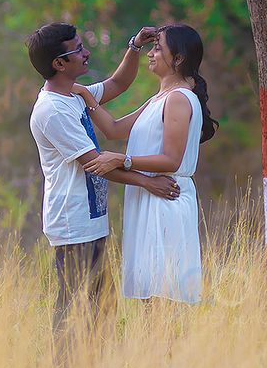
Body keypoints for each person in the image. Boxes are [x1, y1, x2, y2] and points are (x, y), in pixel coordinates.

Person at [26, 22, 181, 330]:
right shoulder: (53, 111)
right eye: (78, 50)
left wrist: (135, 45)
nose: (86, 53)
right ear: (59, 63)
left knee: (101, 308)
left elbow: (118, 83)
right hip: (73, 222)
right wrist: (148, 181)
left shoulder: (73, 95)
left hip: (90, 219)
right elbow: (97, 163)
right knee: (74, 308)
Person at [74, 24, 218, 304]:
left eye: (157, 48)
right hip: (148, 198)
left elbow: (171, 160)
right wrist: (85, 95)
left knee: (163, 297)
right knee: (150, 296)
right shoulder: (160, 98)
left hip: (166, 197)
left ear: (177, 59)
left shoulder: (178, 99)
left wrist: (124, 160)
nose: (151, 54)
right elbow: (113, 129)